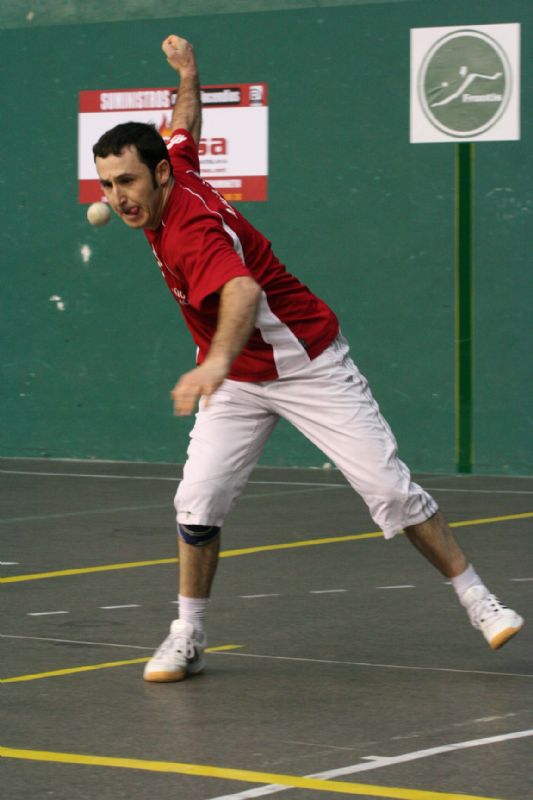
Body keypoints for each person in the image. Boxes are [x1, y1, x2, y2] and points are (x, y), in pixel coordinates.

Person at [92, 35, 523, 682]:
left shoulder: (190, 231)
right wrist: (189, 72)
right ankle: (187, 634)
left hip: (306, 363)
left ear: (157, 175)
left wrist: (211, 363)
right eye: (105, 184)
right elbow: (182, 127)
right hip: (238, 377)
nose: (117, 196)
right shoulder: (173, 164)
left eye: (125, 181)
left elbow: (242, 290)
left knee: (388, 491)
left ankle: (478, 601)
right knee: (197, 503)